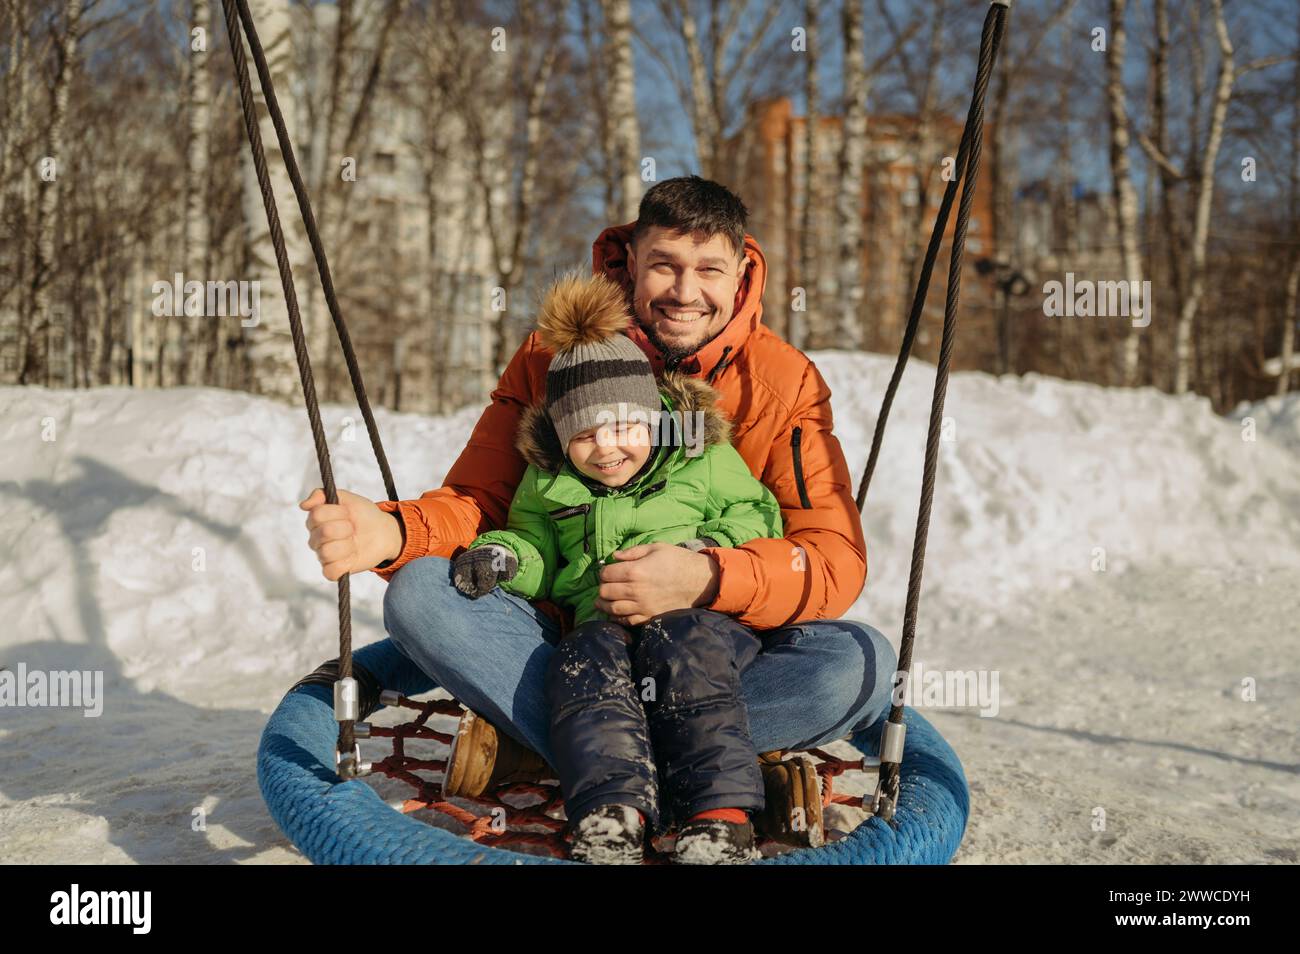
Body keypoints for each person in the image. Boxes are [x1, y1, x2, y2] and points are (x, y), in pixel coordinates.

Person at [299, 175, 899, 861]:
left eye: (708, 269)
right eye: (665, 265)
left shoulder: (779, 383)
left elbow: (829, 556)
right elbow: (488, 506)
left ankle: (576, 757)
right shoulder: (550, 359)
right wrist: (395, 532)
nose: (684, 290)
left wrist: (707, 576)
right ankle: (686, 770)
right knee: (421, 597)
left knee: (859, 665)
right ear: (630, 263)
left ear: (740, 273)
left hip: (713, 652)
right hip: (578, 645)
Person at [449, 270, 784, 863]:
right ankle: (612, 810)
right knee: (581, 664)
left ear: (654, 418)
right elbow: (538, 550)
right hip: (599, 626)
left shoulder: (698, 458)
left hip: (695, 624)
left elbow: (758, 517)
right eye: (583, 434)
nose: (606, 447)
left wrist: (704, 555)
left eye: (623, 426)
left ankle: (718, 816)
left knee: (688, 650)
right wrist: (504, 557)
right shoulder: (549, 481)